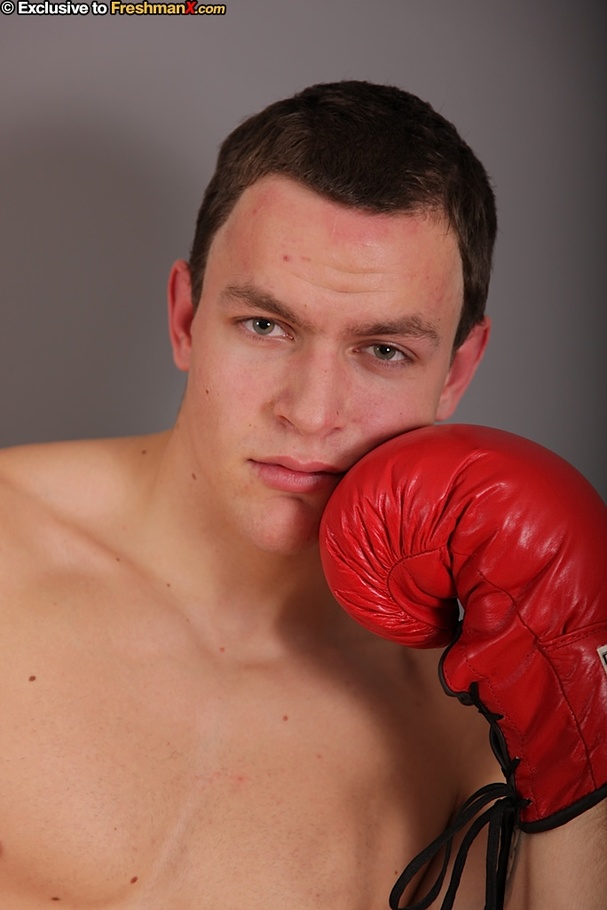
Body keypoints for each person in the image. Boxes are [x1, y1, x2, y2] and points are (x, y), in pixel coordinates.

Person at [0, 81, 603, 909]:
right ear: (184, 316)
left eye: (382, 350)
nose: (311, 413)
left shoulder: (471, 721)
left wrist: (585, 747)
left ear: (457, 372)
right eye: (265, 327)